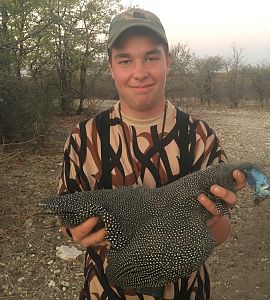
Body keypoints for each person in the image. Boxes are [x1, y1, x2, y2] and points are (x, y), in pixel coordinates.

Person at [58, 8, 246, 300]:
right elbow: (67, 217)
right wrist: (78, 232)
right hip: (106, 291)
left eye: (151, 57)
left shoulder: (199, 137)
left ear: (168, 60)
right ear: (110, 66)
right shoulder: (84, 139)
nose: (140, 72)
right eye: (125, 60)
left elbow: (220, 233)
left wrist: (212, 218)